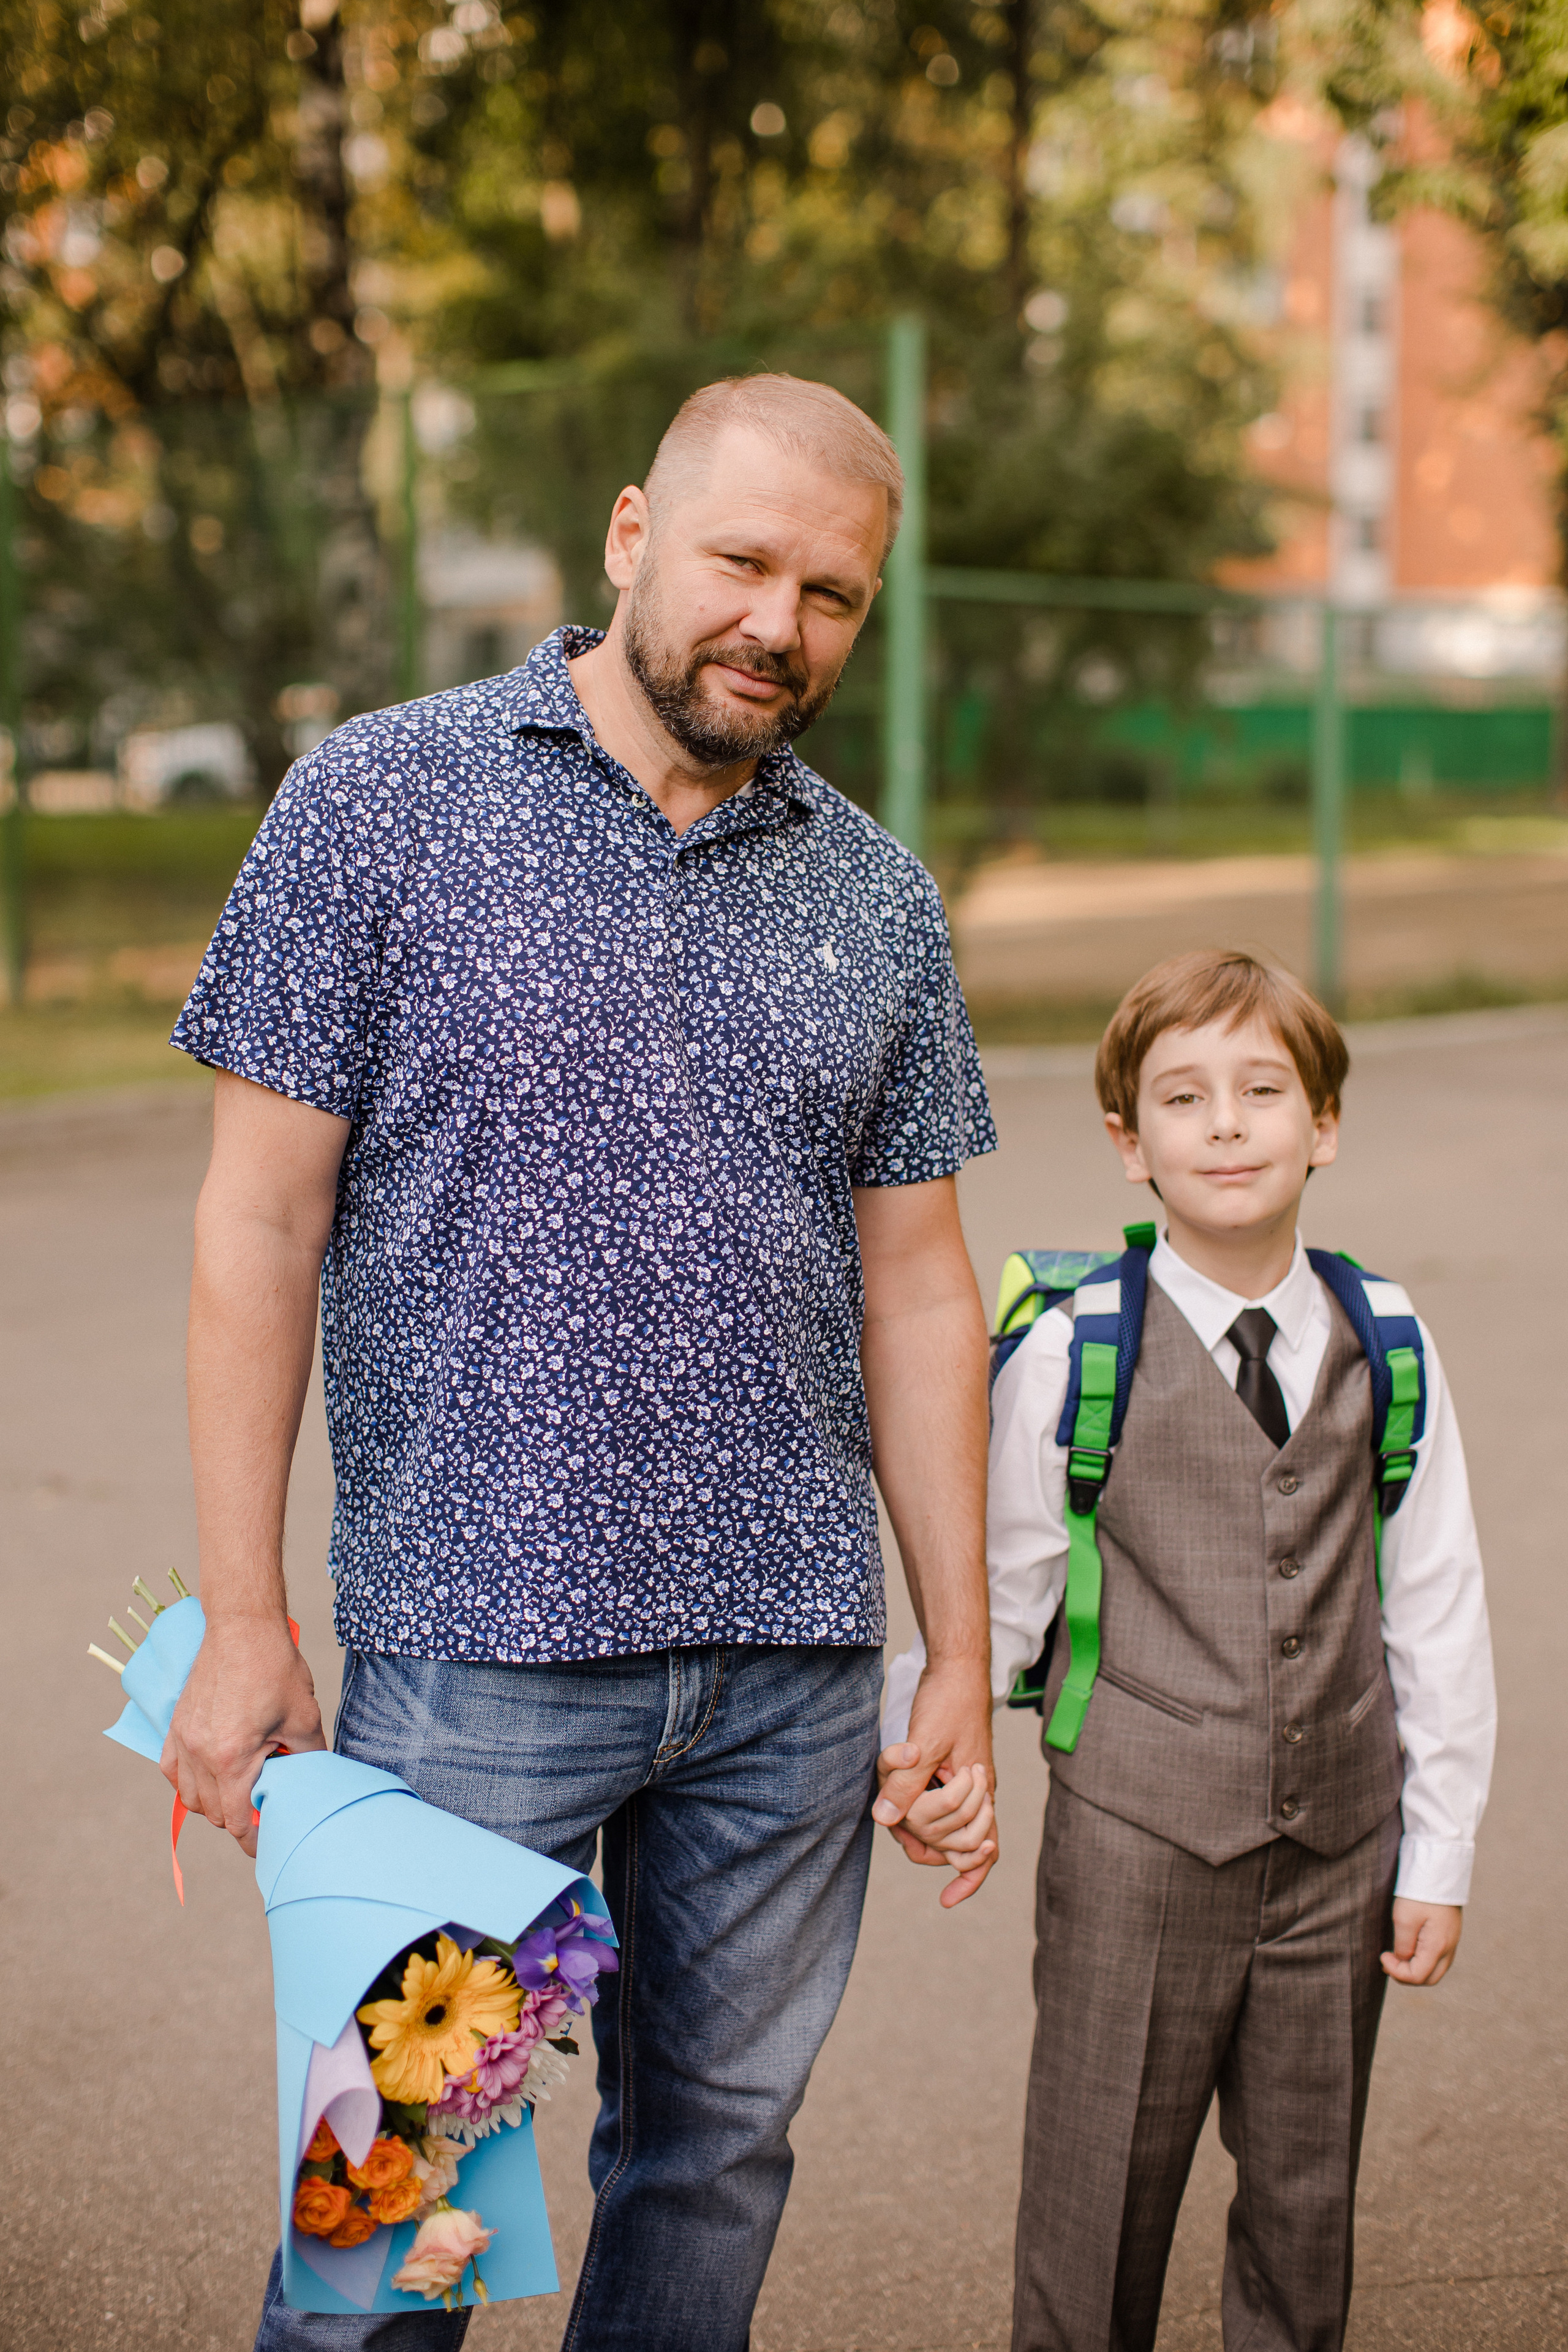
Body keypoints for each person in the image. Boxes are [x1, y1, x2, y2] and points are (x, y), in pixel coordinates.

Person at [163, 372, 1000, 2352]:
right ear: (632, 533)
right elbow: (255, 1227)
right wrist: (242, 1618)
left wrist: (957, 1650)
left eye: (831, 595)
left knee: (712, 2166)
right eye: (742, 562)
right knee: (398, 2205)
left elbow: (921, 1293)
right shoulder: (375, 804)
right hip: (480, 1655)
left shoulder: (879, 895)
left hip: (792, 1679)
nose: (779, 625)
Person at [891, 948, 1496, 2352]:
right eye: (1181, 1097)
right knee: (1095, 2202)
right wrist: (937, 1759)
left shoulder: (1387, 1338)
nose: (1224, 1125)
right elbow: (1002, 1588)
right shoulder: (1073, 1351)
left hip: (1339, 1848)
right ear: (1129, 1143)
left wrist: (1438, 1850)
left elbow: (1434, 1600)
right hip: (1134, 1845)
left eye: (1261, 1091)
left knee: (1304, 2210)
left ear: (1320, 1125)